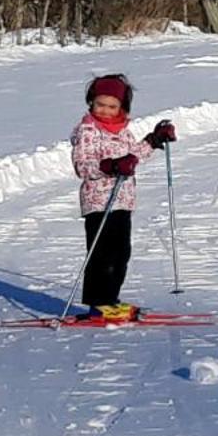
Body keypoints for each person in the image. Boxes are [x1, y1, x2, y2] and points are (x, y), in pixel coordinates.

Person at [70, 74, 176, 320]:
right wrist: (110, 166)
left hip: (122, 200)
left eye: (112, 106)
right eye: (100, 105)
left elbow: (133, 156)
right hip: (99, 202)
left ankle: (111, 299)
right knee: (101, 253)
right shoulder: (87, 130)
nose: (105, 111)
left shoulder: (123, 131)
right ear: (91, 103)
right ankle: (98, 304)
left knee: (120, 253)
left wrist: (154, 139)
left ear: (122, 108)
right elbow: (82, 166)